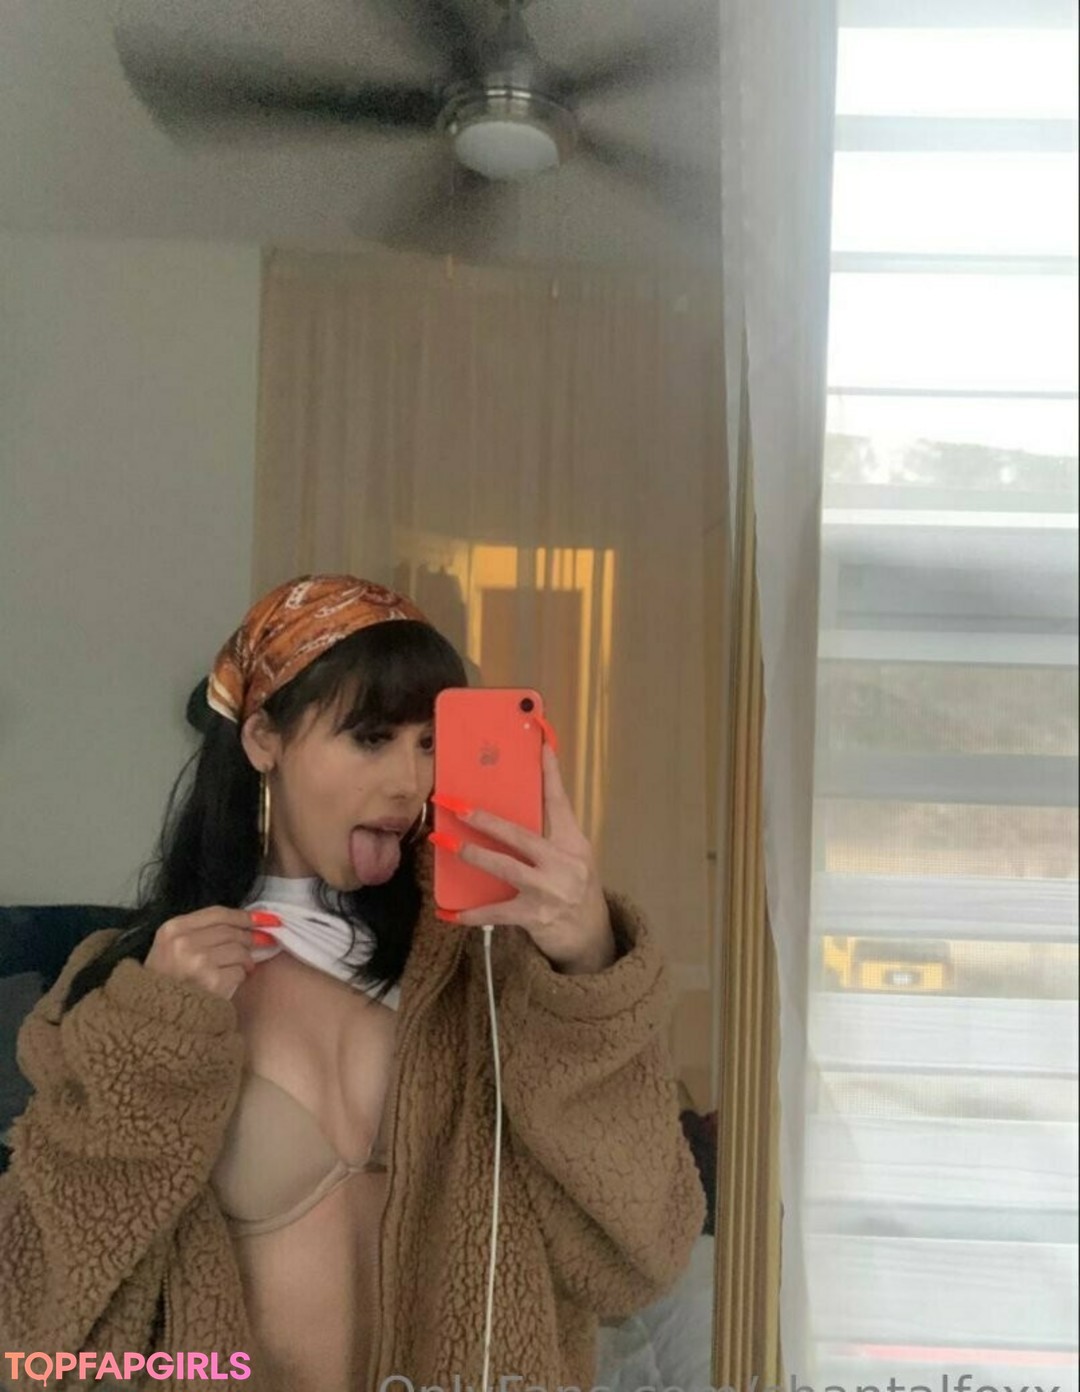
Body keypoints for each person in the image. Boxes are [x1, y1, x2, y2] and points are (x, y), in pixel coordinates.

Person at [0, 574, 704, 1392]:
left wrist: (586, 964)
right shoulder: (136, 986)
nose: (410, 783)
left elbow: (638, 1256)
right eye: (372, 738)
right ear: (264, 740)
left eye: (430, 742)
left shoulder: (485, 974)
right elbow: (31, 1320)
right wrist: (154, 1042)